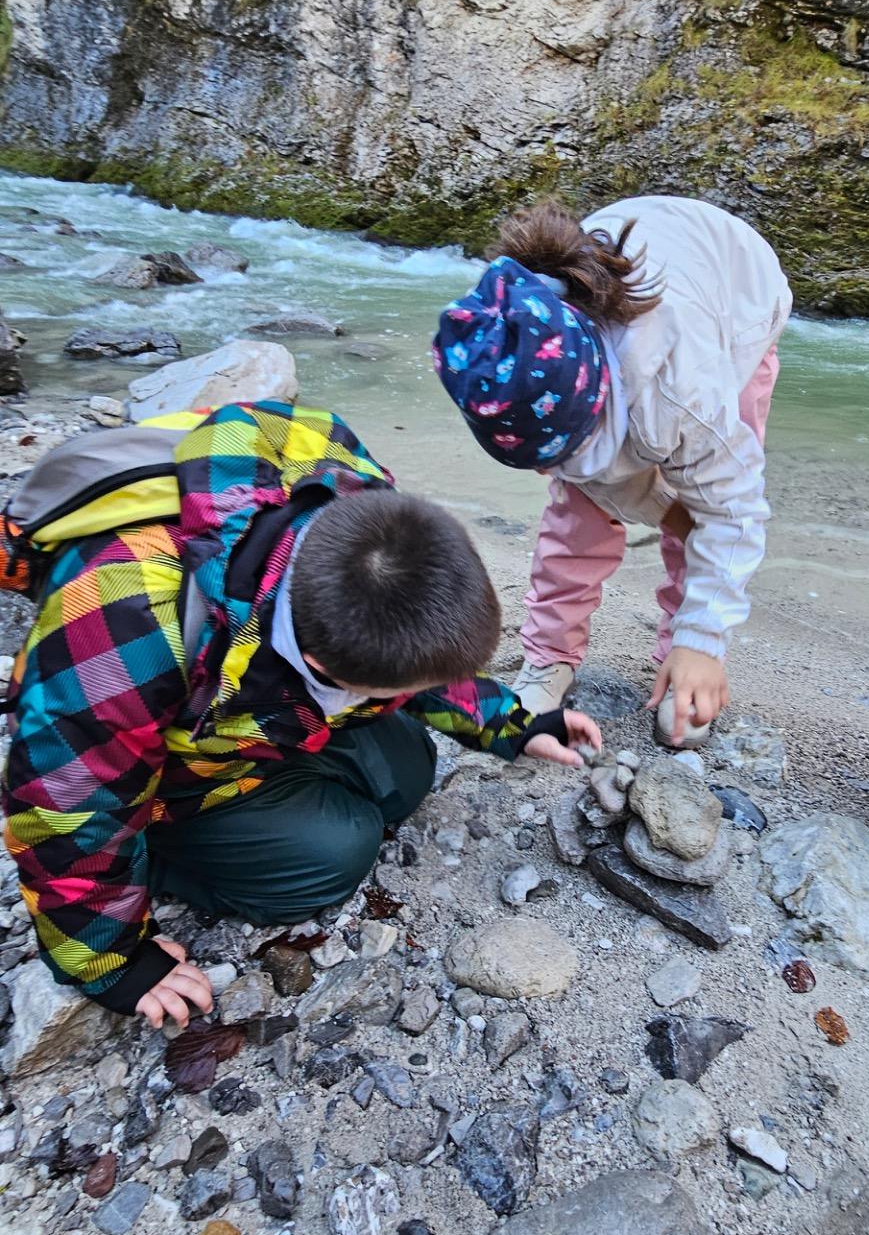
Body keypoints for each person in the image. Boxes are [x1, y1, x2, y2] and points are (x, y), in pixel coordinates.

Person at [2, 399, 599, 1028]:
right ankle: (159, 857)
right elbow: (66, 804)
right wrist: (113, 960)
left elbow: (409, 653)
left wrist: (514, 724)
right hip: (155, 764)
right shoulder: (127, 626)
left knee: (410, 769)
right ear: (316, 663)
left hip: (250, 709)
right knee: (330, 858)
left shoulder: (360, 513)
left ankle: (276, 788)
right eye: (375, 690)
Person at [432, 195, 791, 747]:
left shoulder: (690, 398)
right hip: (636, 294)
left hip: (738, 296)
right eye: (542, 460)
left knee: (697, 515)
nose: (552, 471)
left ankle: (684, 659)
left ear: (593, 397)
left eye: (563, 452)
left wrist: (702, 638)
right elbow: (583, 474)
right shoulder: (514, 341)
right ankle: (549, 655)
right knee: (575, 520)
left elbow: (733, 512)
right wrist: (584, 473)